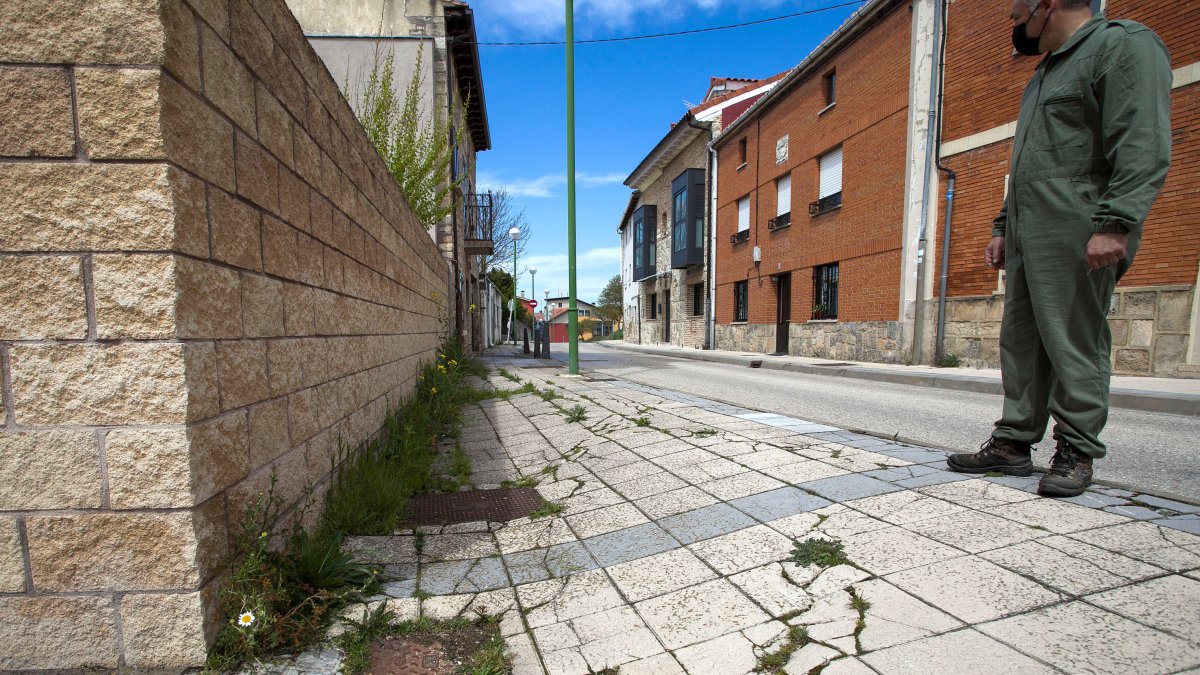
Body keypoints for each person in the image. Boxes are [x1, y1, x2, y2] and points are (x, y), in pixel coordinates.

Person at [946, 0, 1172, 497]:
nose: (1011, 23)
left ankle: (1077, 447)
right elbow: (1028, 159)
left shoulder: (1122, 46)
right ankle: (1013, 442)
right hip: (1030, 228)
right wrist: (1004, 224)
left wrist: (1117, 223)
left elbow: (1143, 142)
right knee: (1021, 340)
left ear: (1045, 6)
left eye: (1014, 13)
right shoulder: (1044, 74)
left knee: (1074, 337)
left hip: (1079, 221)